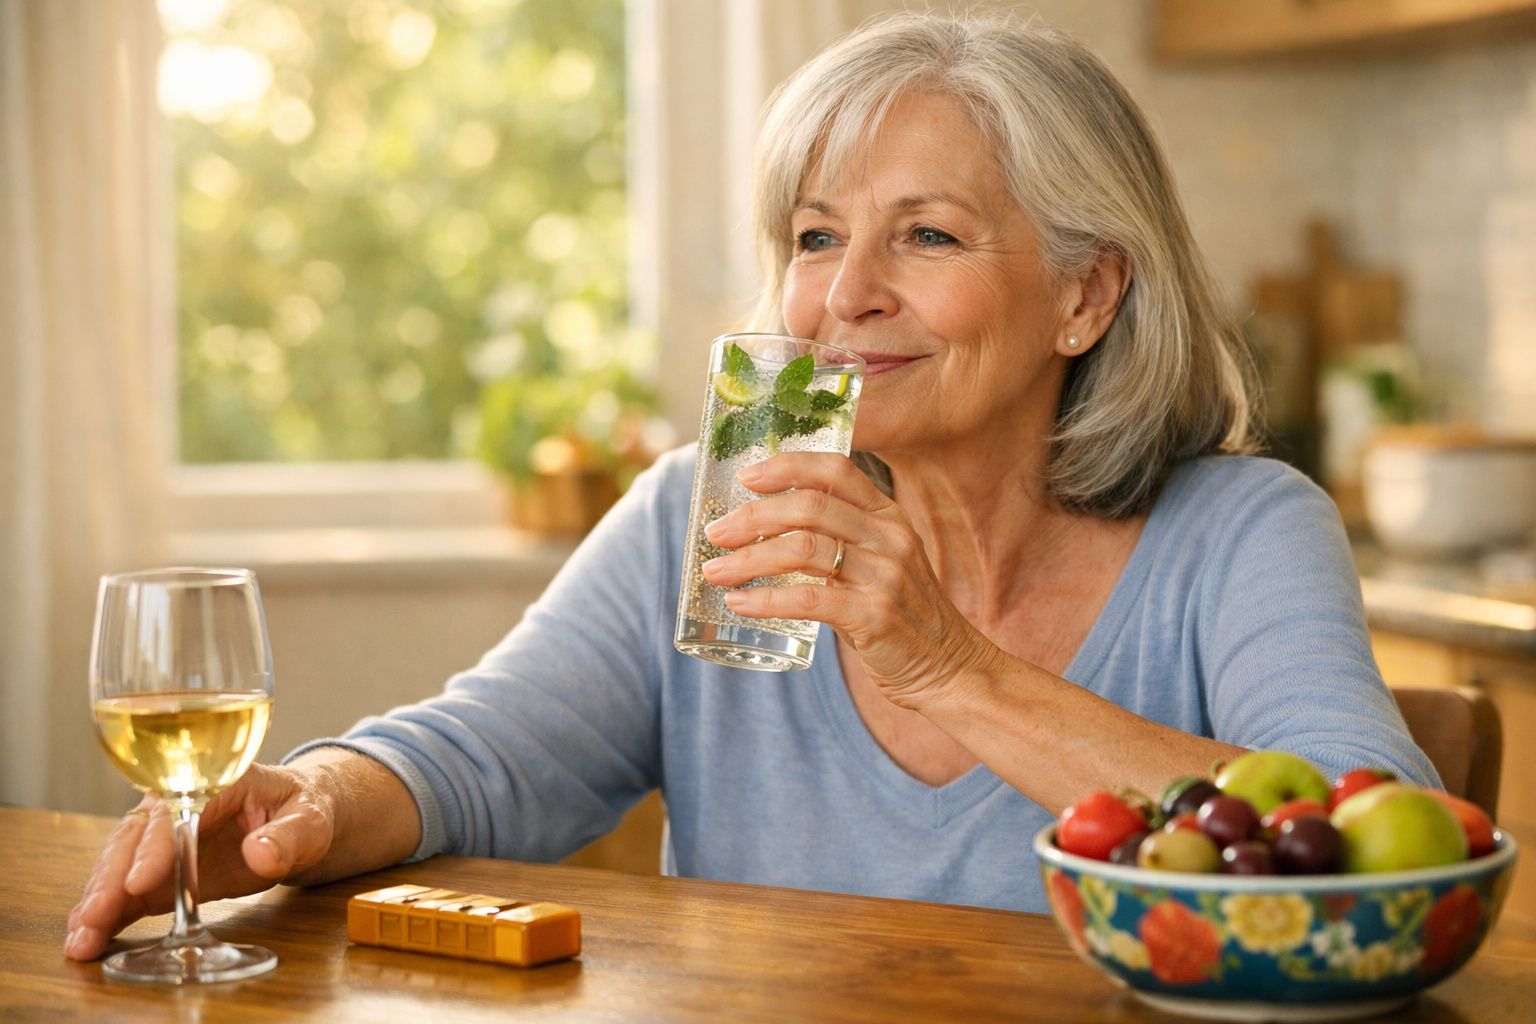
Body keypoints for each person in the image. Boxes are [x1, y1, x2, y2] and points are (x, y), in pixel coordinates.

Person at [65, 11, 1438, 961]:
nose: (846, 296)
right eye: (816, 236)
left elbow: (1382, 851)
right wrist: (311, 802)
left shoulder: (1242, 533)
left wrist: (949, 666)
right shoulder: (706, 513)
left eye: (928, 236)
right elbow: (484, 757)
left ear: (1087, 295)